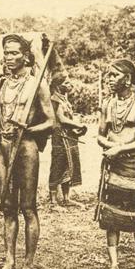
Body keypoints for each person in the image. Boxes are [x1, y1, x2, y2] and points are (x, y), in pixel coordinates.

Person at [0, 34, 55, 269]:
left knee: (28, 207)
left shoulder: (37, 84)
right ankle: (9, 261)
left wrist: (29, 129)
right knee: (8, 207)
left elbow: (51, 122)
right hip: (3, 148)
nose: (9, 58)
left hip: (26, 148)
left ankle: (28, 265)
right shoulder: (0, 85)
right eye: (6, 53)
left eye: (14, 53)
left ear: (25, 55)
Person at [96, 59, 135, 269]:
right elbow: (100, 135)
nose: (109, 79)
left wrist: (120, 148)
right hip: (112, 166)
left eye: (113, 75)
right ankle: (113, 265)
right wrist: (111, 147)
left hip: (133, 165)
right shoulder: (107, 104)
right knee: (111, 216)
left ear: (127, 79)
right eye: (108, 75)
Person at [49, 79, 86, 211]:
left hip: (69, 136)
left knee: (68, 165)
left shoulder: (64, 99)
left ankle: (66, 198)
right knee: (58, 165)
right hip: (59, 136)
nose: (70, 85)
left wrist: (76, 126)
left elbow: (68, 117)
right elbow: (61, 119)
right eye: (67, 82)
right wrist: (78, 125)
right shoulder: (54, 99)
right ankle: (53, 202)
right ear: (58, 85)